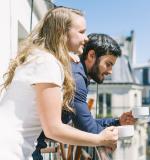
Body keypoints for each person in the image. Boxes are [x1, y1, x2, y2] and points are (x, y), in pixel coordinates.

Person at [0, 7, 118, 159]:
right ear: (62, 32)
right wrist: (100, 139)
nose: (86, 38)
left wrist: (63, 57)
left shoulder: (40, 58)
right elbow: (53, 129)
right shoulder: (47, 63)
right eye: (81, 32)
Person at [33, 33, 136, 160]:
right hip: (27, 148)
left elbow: (82, 121)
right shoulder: (77, 77)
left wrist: (117, 122)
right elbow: (88, 127)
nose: (110, 71)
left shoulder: (77, 72)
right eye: (108, 64)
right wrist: (111, 137)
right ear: (91, 55)